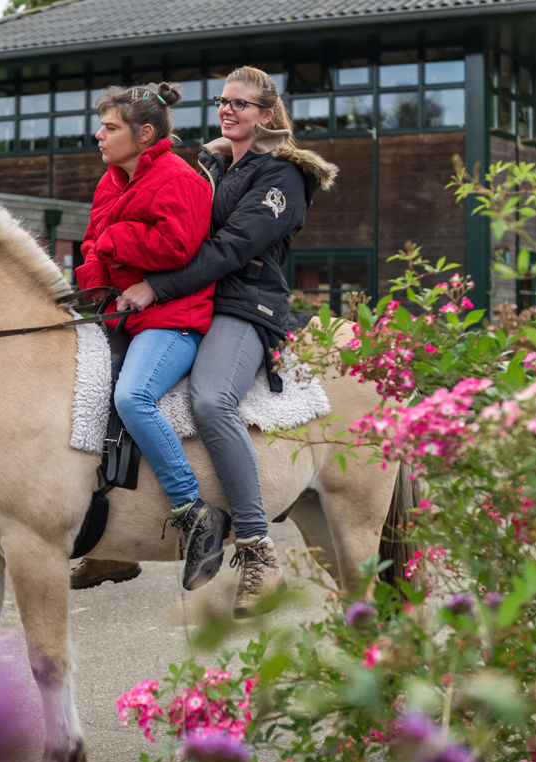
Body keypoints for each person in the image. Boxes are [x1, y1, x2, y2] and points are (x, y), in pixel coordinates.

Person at [116, 66, 338, 617]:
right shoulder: (211, 165)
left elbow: (231, 250)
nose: (228, 109)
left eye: (241, 103)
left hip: (244, 306)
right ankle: (115, 537)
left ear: (267, 114)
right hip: (193, 302)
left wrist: (156, 285)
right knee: (112, 375)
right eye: (222, 101)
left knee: (212, 399)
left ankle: (259, 550)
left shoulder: (283, 177)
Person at [72, 82, 233, 592]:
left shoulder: (178, 179)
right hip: (119, 312)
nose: (98, 135)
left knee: (133, 396)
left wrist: (115, 241)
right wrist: (91, 281)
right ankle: (105, 533)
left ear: (144, 133)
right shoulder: (110, 181)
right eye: (102, 126)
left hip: (173, 318)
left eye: (110, 127)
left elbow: (177, 249)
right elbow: (92, 245)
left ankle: (194, 512)